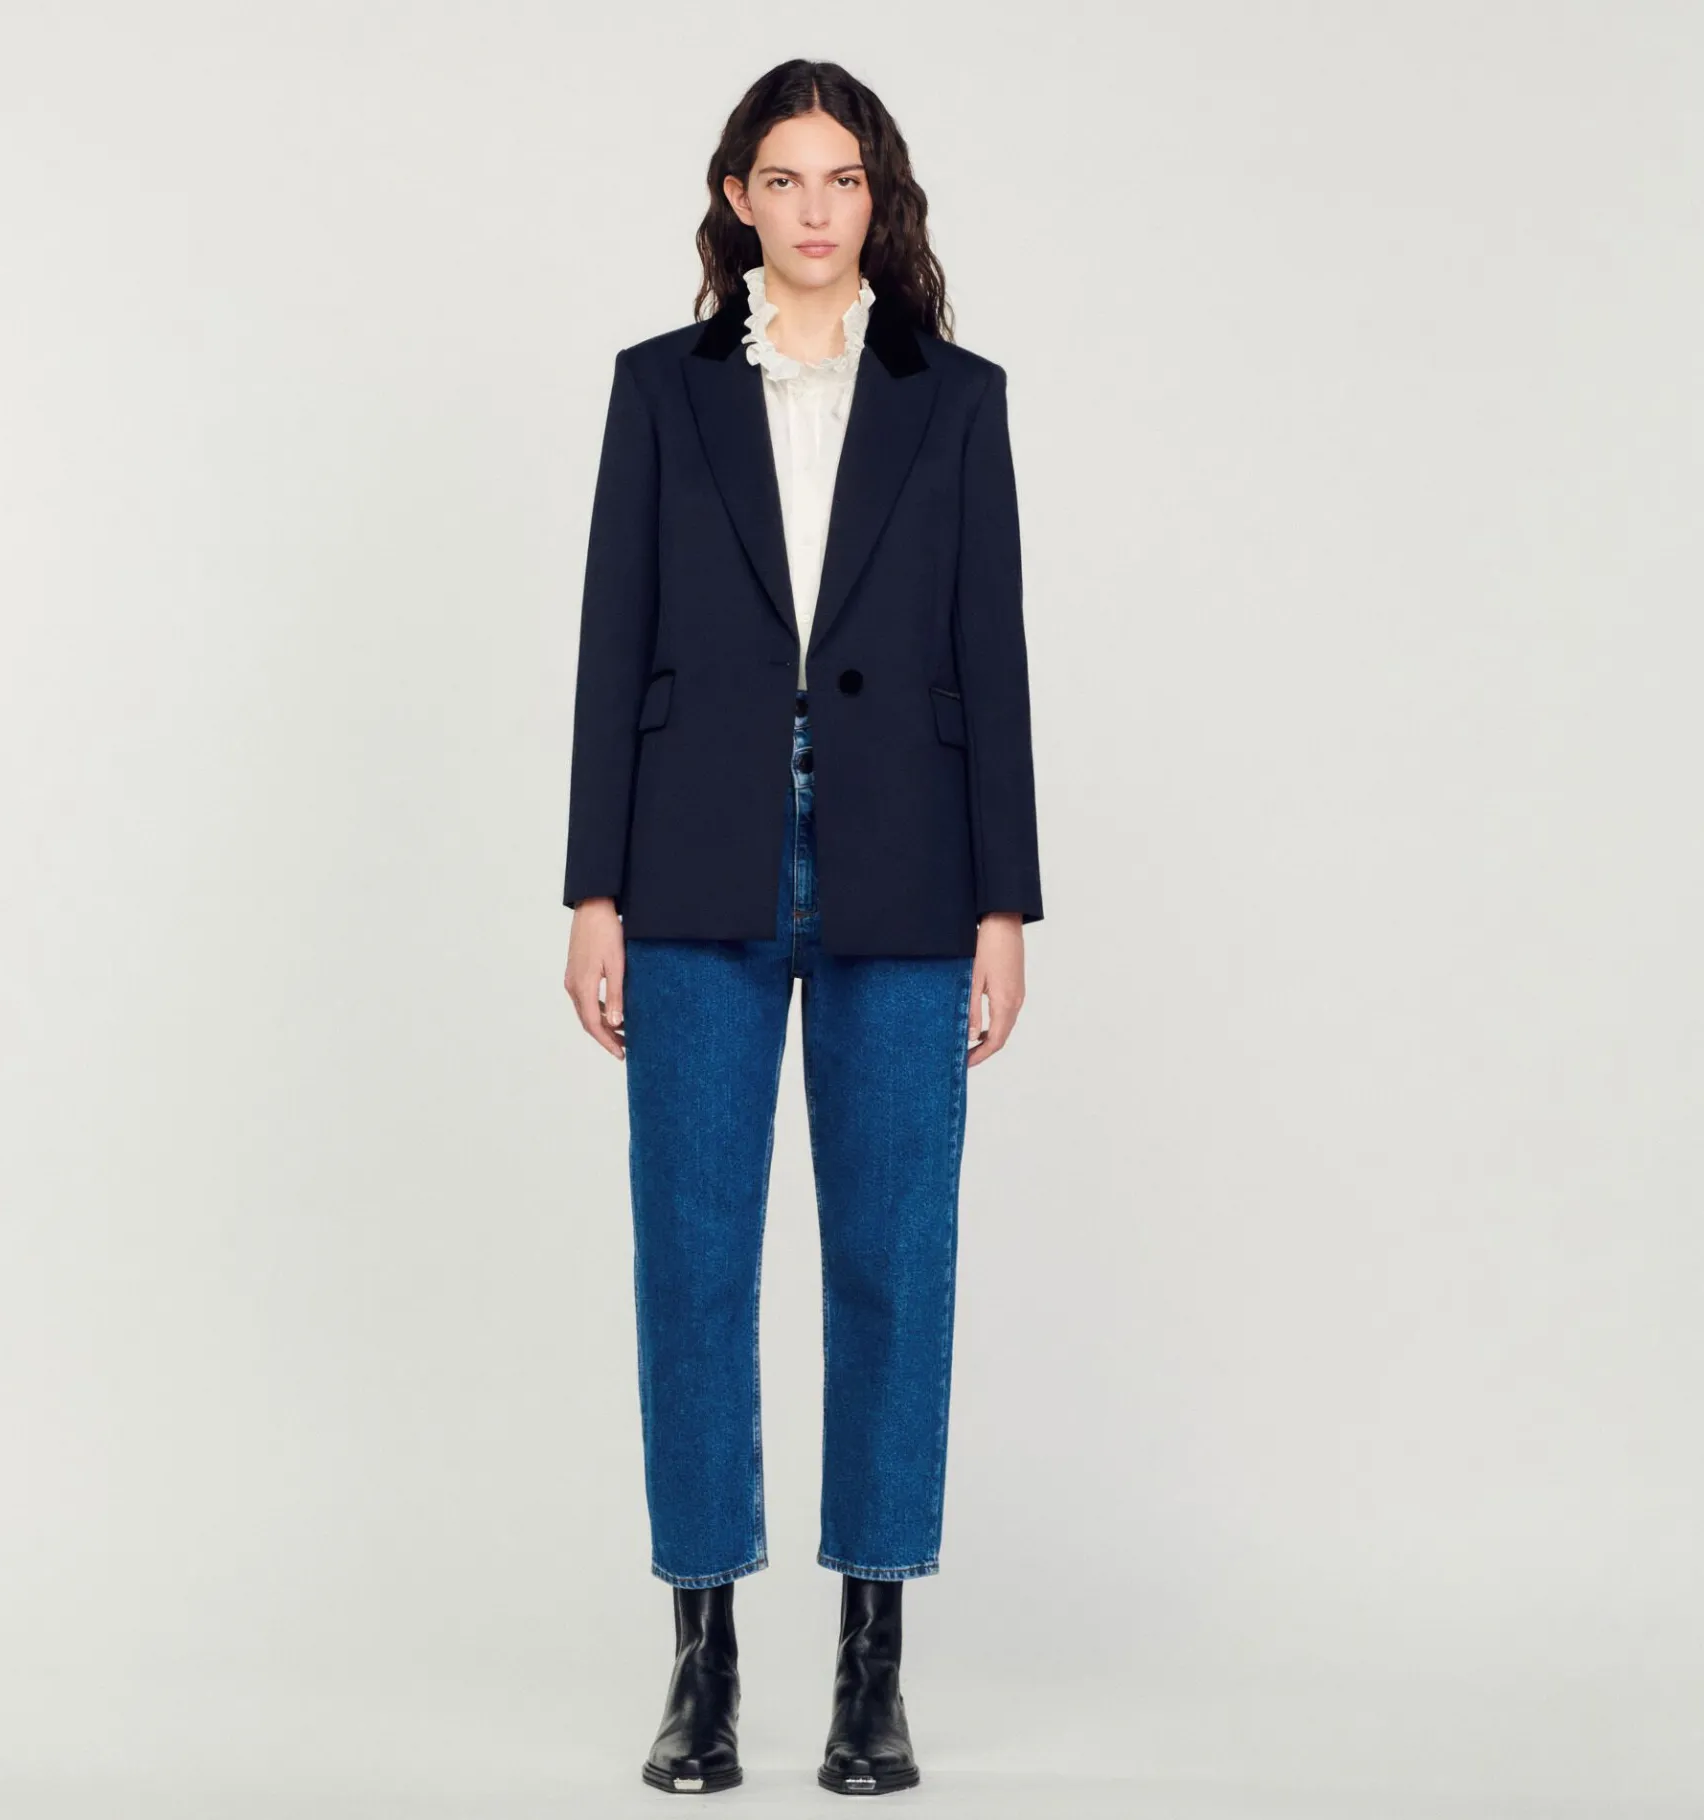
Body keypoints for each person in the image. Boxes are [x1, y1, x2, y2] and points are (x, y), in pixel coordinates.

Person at [560, 58, 1045, 1798]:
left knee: (892, 1261)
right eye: (785, 177)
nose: (816, 207)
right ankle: (701, 1658)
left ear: (878, 198)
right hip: (693, 863)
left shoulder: (958, 401)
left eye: (843, 178)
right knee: (690, 1260)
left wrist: (1005, 903)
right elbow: (614, 640)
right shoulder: (661, 389)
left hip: (906, 870)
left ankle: (871, 1662)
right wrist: (592, 889)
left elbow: (990, 654)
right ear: (739, 199)